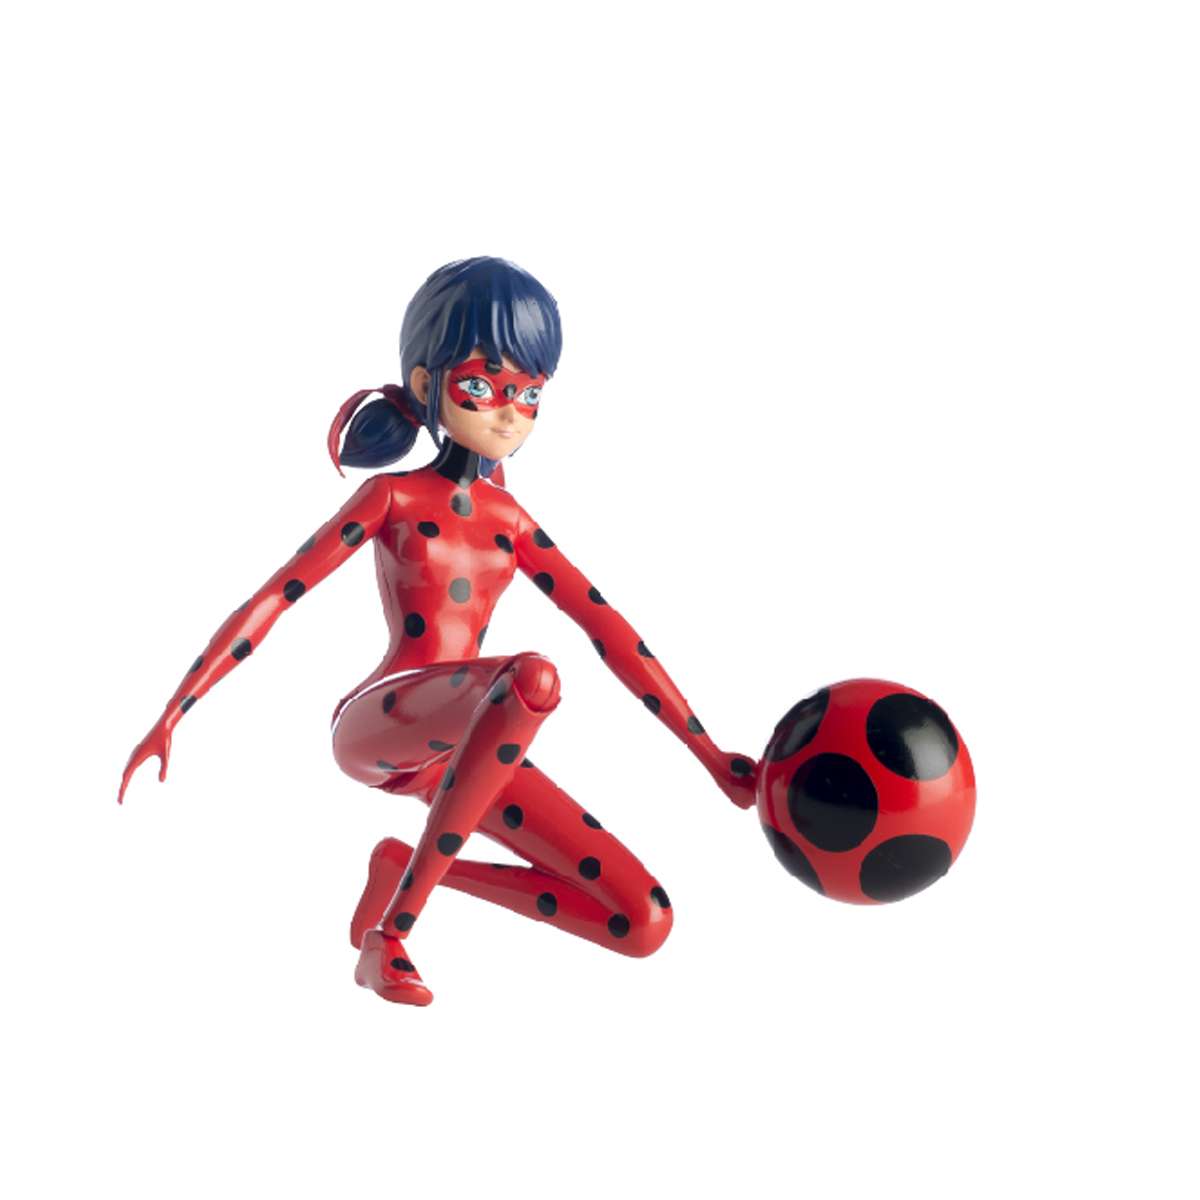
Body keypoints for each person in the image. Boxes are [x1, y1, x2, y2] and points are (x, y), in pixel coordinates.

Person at [120, 257, 757, 1006]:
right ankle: (392, 937)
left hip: (476, 745)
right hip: (384, 721)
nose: (509, 414)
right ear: (427, 383)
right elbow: (276, 596)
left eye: (529, 394)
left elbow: (611, 630)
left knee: (642, 919)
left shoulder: (511, 521)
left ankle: (403, 871)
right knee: (532, 680)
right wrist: (174, 711)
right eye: (484, 387)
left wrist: (711, 756)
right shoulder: (391, 496)